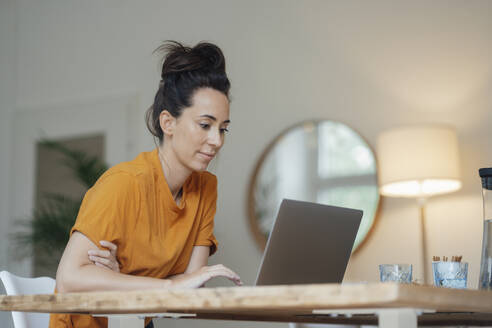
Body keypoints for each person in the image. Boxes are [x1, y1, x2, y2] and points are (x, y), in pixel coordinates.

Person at [49, 41, 242, 328]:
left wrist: (121, 279)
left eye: (223, 128)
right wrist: (166, 286)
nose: (217, 140)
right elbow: (69, 277)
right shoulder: (124, 184)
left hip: (134, 322)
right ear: (168, 123)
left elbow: (190, 286)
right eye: (205, 125)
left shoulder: (205, 189)